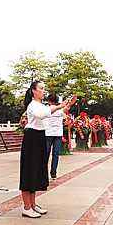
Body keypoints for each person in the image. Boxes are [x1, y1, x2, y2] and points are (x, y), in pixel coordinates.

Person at [19, 81, 76, 217]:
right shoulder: (33, 105)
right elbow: (42, 114)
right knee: (29, 171)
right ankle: (26, 207)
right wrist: (59, 106)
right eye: (41, 88)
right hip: (31, 138)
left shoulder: (41, 105)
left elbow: (53, 112)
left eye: (44, 89)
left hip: (39, 136)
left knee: (37, 170)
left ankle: (33, 204)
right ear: (34, 91)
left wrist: (66, 105)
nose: (43, 91)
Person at [45, 93, 65, 179]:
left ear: (48, 101)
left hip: (49, 134)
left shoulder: (46, 109)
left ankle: (44, 172)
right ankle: (53, 173)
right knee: (55, 154)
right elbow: (68, 106)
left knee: (46, 154)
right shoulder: (60, 110)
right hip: (56, 134)